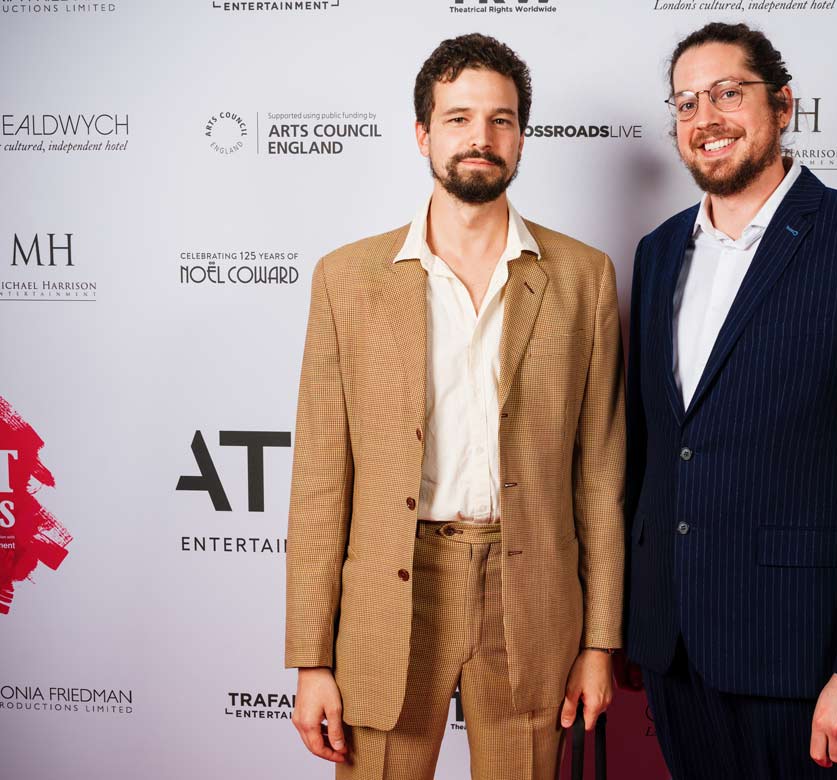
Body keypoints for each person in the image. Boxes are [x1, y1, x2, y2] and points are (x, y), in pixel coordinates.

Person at [284, 33, 626, 780]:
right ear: (422, 134)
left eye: (501, 120)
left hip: (531, 594)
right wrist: (311, 658)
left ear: (522, 139)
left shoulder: (584, 278)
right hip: (394, 592)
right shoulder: (347, 281)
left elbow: (600, 475)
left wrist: (600, 643)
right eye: (459, 117)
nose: (481, 138)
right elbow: (317, 482)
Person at [622, 22, 837, 779]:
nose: (707, 118)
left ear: (785, 104)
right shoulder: (658, 250)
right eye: (687, 102)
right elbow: (659, 451)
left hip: (801, 659)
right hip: (674, 651)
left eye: (729, 92)